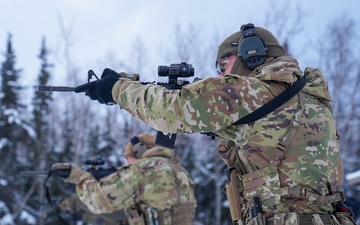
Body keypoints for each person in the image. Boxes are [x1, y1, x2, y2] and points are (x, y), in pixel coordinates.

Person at [74, 23, 356, 224]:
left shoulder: (258, 92)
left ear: (251, 53)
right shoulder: (306, 97)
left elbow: (171, 112)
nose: (221, 77)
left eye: (223, 66)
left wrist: (116, 89)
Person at [51, 133, 197, 225]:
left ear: (140, 152)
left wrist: (79, 176)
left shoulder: (144, 169)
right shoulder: (180, 171)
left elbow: (99, 201)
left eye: (128, 159)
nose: (126, 165)